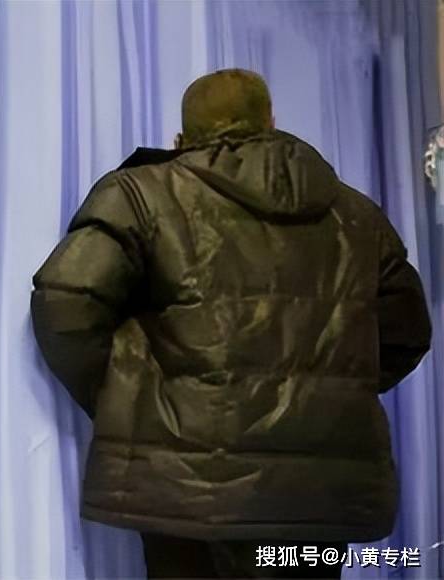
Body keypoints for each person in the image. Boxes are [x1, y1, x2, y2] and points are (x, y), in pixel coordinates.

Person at [30, 69, 432, 579]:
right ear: (271, 123)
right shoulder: (356, 215)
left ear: (181, 139)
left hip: (187, 488)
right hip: (313, 497)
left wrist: (129, 399)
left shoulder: (140, 196)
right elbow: (407, 331)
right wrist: (329, 392)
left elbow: (66, 304)